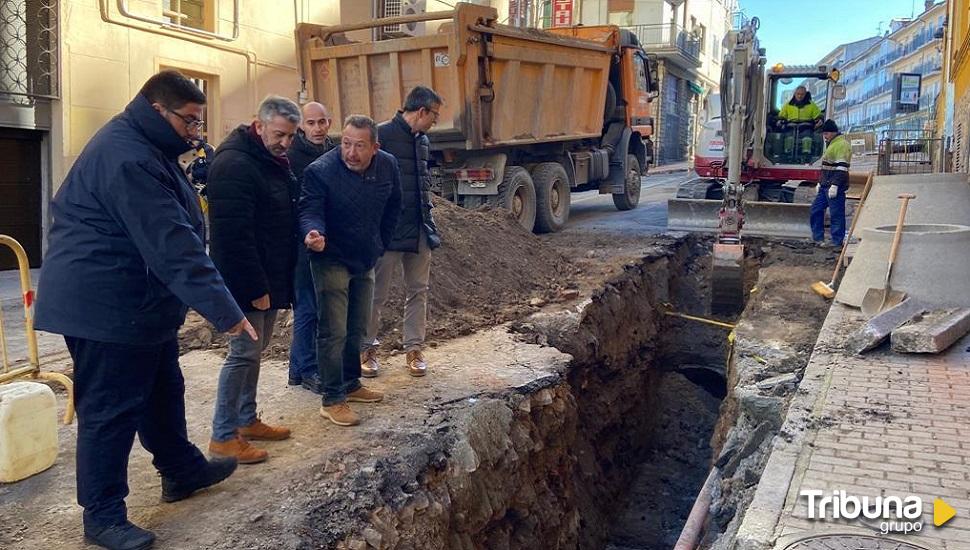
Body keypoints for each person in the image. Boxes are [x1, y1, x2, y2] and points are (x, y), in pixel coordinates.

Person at [33, 70, 254, 550]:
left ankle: (181, 469)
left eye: (199, 123)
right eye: (189, 121)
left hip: (138, 302)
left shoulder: (149, 146)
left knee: (161, 387)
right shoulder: (127, 156)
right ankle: (103, 515)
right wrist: (226, 310)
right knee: (110, 410)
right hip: (105, 305)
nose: (196, 133)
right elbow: (171, 241)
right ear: (158, 109)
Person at [205, 96, 302, 464]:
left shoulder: (269, 160)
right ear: (258, 125)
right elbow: (234, 237)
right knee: (242, 354)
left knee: (255, 353)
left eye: (291, 136)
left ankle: (246, 420)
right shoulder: (234, 165)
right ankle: (223, 436)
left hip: (269, 275)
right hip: (247, 281)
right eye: (279, 134)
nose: (286, 142)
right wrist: (255, 289)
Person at [299, 115, 402, 427]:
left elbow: (394, 206)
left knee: (357, 326)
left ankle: (351, 383)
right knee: (334, 330)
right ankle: (332, 398)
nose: (351, 152)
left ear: (375, 147)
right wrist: (313, 233)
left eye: (359, 146)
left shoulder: (387, 166)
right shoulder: (320, 171)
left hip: (365, 257)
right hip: (330, 257)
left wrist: (380, 244)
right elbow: (309, 210)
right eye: (346, 143)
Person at [361, 86, 443, 378]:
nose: (435, 121)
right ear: (421, 112)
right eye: (434, 115)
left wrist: (428, 219)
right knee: (375, 294)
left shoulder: (423, 141)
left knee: (419, 290)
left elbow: (422, 183)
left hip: (419, 226)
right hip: (387, 231)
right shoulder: (380, 136)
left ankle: (414, 349)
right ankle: (366, 350)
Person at [286, 101, 336, 394]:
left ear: (329, 122)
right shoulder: (293, 157)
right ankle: (306, 369)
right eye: (311, 123)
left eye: (322, 122)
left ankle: (299, 368)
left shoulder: (334, 151)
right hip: (302, 243)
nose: (317, 128)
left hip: (327, 242)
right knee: (307, 308)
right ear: (302, 125)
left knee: (319, 307)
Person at [811, 119, 852, 247]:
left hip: (834, 187)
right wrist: (820, 182)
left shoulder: (842, 145)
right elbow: (826, 167)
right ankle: (818, 238)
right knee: (816, 210)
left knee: (836, 214)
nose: (824, 136)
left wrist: (835, 185)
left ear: (833, 132)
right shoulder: (832, 144)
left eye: (826, 133)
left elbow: (842, 168)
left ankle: (837, 242)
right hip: (825, 185)